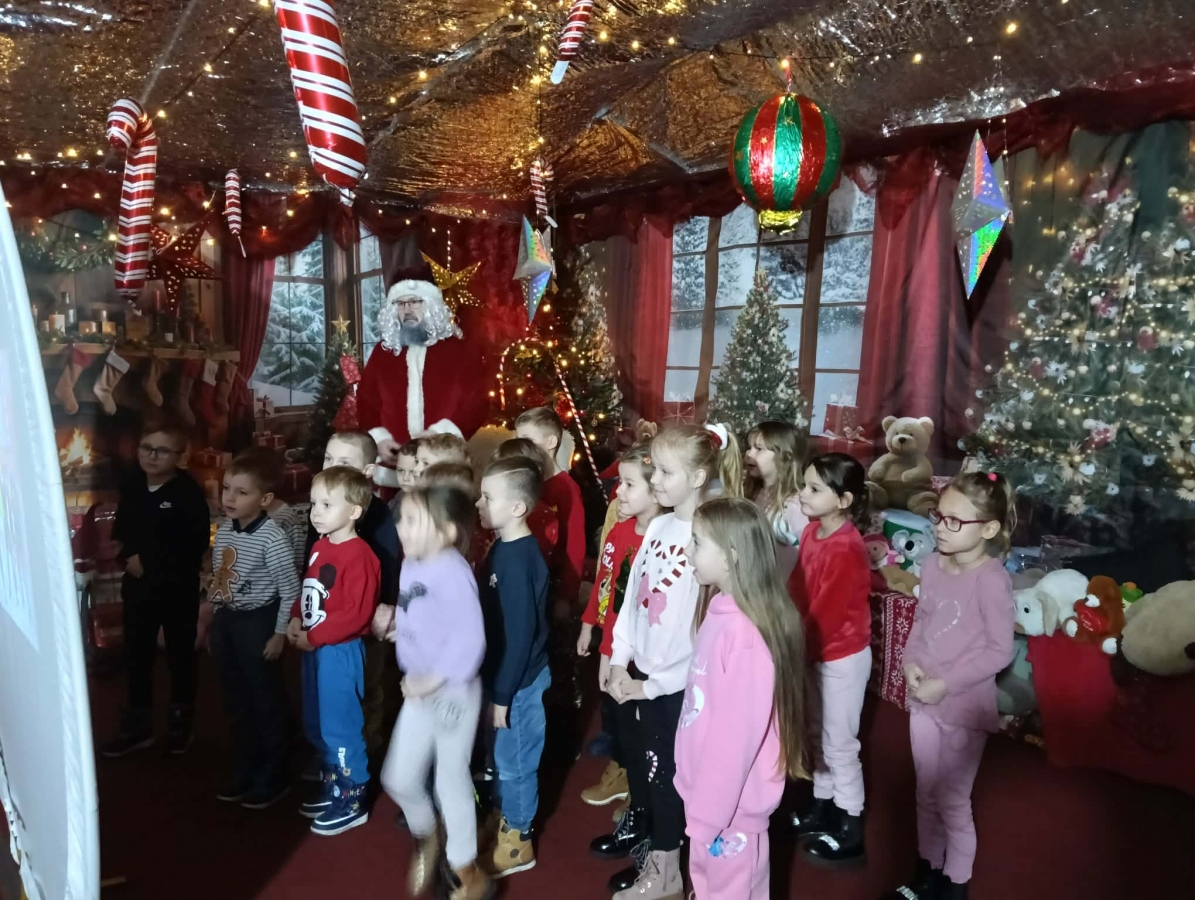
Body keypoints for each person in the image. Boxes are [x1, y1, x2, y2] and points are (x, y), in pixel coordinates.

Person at [598, 423, 742, 899]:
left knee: (667, 777)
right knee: (642, 764)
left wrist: (653, 684)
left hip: (673, 686)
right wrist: (619, 659)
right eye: (653, 470)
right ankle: (653, 852)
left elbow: (697, 635)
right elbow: (631, 603)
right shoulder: (659, 526)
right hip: (640, 675)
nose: (654, 480)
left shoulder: (707, 540)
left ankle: (668, 874)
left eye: (664, 472)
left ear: (698, 478)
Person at [881, 473, 1016, 900]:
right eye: (938, 516)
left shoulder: (991, 580)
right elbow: (921, 624)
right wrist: (910, 664)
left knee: (953, 801)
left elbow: (999, 651)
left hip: (963, 708)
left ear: (989, 529)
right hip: (924, 700)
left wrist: (946, 684)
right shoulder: (931, 565)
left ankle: (955, 885)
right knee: (925, 792)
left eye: (955, 521)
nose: (940, 527)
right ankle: (927, 870)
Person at [677, 498, 806, 900]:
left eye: (697, 542)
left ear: (731, 555)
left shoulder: (746, 637)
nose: (687, 550)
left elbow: (735, 741)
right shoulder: (720, 609)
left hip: (730, 812)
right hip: (710, 802)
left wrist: (708, 815)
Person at [377, 485, 490, 900]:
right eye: (401, 518)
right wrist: (399, 629)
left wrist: (433, 677)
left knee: (449, 781)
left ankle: (465, 868)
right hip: (420, 690)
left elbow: (470, 639)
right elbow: (423, 615)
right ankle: (427, 835)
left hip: (453, 692)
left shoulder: (452, 571)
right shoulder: (413, 562)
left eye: (412, 520)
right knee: (398, 778)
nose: (401, 528)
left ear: (445, 532)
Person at [101, 418, 210, 758]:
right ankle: (138, 724)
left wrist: (149, 561)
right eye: (146, 448)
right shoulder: (133, 484)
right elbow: (122, 531)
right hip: (138, 588)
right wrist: (128, 556)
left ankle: (180, 721)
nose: (152, 456)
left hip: (177, 588)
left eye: (162, 451)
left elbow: (193, 543)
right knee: (137, 654)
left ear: (178, 456)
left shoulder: (188, 493)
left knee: (180, 655)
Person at [786, 453, 872, 864]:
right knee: (816, 732)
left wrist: (796, 650)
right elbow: (798, 587)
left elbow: (828, 612)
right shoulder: (811, 532)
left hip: (840, 658)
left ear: (844, 500)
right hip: (812, 652)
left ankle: (850, 823)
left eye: (814, 489)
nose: (803, 494)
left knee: (840, 743)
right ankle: (822, 806)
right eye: (804, 485)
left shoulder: (847, 547)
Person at [303, 432, 402, 784]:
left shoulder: (377, 515)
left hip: (360, 626)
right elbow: (312, 564)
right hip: (323, 622)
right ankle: (328, 755)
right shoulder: (321, 511)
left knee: (364, 692)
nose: (331, 467)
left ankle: (361, 765)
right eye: (328, 459)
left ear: (368, 471)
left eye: (343, 463)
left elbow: (388, 564)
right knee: (323, 694)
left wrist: (385, 607)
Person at [287, 466, 380, 836]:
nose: (316, 512)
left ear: (354, 511)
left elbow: (358, 613)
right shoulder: (320, 545)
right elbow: (308, 589)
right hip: (316, 649)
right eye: (314, 504)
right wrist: (296, 617)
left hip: (339, 652)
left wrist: (315, 637)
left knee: (341, 726)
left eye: (327, 504)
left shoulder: (361, 555)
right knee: (319, 723)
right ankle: (334, 787)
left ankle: (352, 798)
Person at [207, 450, 302, 809]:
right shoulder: (225, 531)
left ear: (264, 499)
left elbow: (289, 589)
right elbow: (221, 577)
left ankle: (274, 773)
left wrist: (278, 634)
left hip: (259, 622)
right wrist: (216, 619)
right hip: (229, 621)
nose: (230, 498)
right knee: (236, 698)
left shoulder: (271, 538)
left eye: (242, 492)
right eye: (226, 488)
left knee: (265, 699)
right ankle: (246, 765)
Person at [475, 456, 551, 879]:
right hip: (502, 677)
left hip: (518, 684)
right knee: (502, 756)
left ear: (518, 507)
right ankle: (505, 817)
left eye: (488, 497)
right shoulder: (502, 547)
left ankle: (519, 839)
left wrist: (504, 693)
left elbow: (520, 636)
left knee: (516, 761)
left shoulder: (519, 560)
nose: (479, 504)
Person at [577, 442, 661, 817]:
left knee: (642, 723)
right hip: (614, 645)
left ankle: (642, 791)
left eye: (628, 484)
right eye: (619, 483)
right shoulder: (619, 532)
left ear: (656, 491)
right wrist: (590, 628)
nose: (618, 492)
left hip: (647, 653)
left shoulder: (662, 542)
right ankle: (626, 772)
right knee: (618, 714)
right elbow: (605, 585)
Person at [357, 260, 488, 486]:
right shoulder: (383, 352)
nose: (407, 310)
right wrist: (380, 438)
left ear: (431, 304)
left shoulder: (459, 352)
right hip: (393, 472)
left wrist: (442, 434)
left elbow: (477, 405)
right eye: (400, 303)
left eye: (415, 302)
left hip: (443, 470)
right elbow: (366, 403)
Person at [744, 420, 809, 581]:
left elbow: (810, 556)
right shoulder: (752, 493)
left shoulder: (798, 506)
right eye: (749, 447)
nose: (749, 454)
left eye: (759, 449)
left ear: (784, 457)